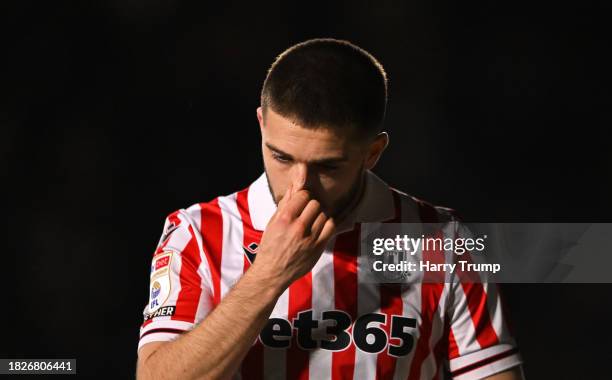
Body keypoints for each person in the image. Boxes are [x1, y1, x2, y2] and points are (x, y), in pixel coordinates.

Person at [136, 38, 524, 380]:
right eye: (281, 156)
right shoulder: (197, 232)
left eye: (327, 166)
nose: (299, 184)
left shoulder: (444, 241)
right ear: (261, 125)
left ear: (372, 153)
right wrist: (270, 274)